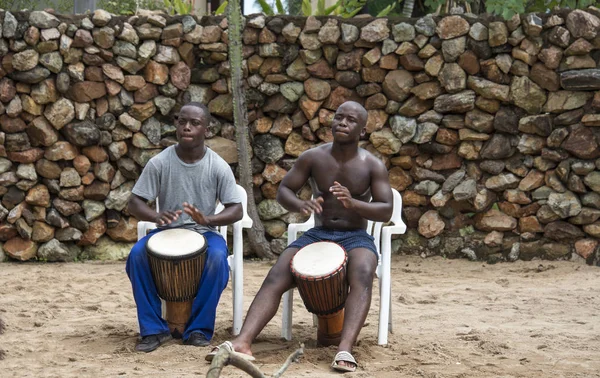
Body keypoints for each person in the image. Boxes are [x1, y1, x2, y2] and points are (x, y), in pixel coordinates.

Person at [206, 101, 393, 372]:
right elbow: (285, 191)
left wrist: (355, 204)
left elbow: (385, 208)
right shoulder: (313, 157)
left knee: (364, 270)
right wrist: (300, 205)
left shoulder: (372, 165)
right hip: (318, 233)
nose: (342, 123)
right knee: (279, 271)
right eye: (338, 117)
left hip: (355, 236)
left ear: (362, 131)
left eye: (351, 120)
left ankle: (345, 349)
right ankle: (243, 342)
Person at [126, 102, 243, 353]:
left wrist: (208, 220)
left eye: (195, 123)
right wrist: (156, 216)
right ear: (176, 125)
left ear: (207, 130)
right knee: (136, 256)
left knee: (217, 258)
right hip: (166, 233)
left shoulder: (217, 165)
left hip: (204, 234)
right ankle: (153, 330)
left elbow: (237, 209)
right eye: (182, 122)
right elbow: (134, 202)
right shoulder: (160, 162)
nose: (187, 127)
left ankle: (199, 329)